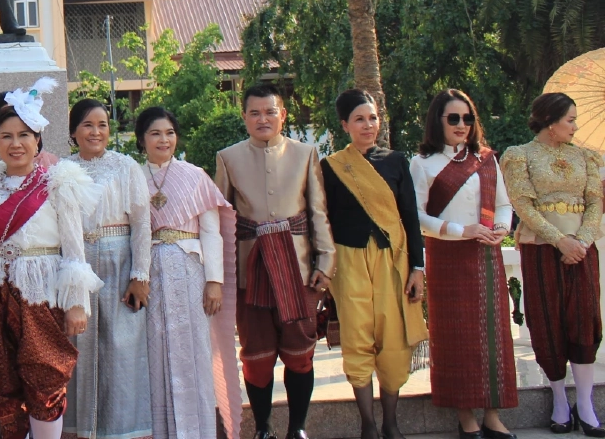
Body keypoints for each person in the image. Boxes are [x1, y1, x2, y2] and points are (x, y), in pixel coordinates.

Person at [0, 78, 101, 439]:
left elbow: (73, 248)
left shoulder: (58, 183)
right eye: (6, 136)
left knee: (45, 381)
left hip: (41, 296)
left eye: (24, 135)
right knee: (2, 385)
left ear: (38, 141)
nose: (15, 143)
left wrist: (77, 303)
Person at [213, 85, 334, 439]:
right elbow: (222, 221)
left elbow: (318, 211)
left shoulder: (305, 153)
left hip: (298, 270)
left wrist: (325, 262)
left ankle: (298, 427)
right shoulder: (228, 157)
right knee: (257, 356)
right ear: (245, 118)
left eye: (270, 112)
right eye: (254, 113)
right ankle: (263, 428)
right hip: (250, 272)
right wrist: (221, 276)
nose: (262, 119)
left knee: (300, 353)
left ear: (283, 115)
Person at [321, 89, 427, 439]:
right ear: (344, 125)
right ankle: (367, 425)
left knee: (394, 341)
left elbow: (410, 217)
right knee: (357, 340)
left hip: (392, 262)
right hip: (349, 262)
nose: (368, 125)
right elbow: (323, 219)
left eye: (373, 118)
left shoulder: (396, 161)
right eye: (359, 119)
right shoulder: (332, 166)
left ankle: (391, 423)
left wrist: (418, 268)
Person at [410, 90, 516, 439]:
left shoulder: (485, 159)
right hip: (446, 255)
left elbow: (503, 204)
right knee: (455, 337)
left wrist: (501, 228)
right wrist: (459, 230)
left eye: (467, 118)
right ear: (437, 121)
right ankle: (465, 418)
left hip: (486, 255)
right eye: (453, 118)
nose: (461, 125)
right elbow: (417, 216)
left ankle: (493, 415)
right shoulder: (422, 163)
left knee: (492, 336)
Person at [133, 107, 240, 439]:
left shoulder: (195, 176)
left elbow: (211, 231)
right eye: (155, 133)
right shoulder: (132, 178)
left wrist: (214, 282)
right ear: (141, 140)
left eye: (169, 132)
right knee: (155, 352)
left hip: (190, 272)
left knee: (193, 352)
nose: (164, 140)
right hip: (149, 275)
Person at [503, 92, 604, 435]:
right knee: (547, 319)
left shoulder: (587, 157)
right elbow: (522, 204)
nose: (575, 126)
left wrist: (581, 241)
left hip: (581, 248)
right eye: (570, 120)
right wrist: (557, 239)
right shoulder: (520, 156)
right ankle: (560, 400)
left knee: (584, 319)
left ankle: (586, 404)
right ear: (549, 121)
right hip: (540, 248)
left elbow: (595, 202)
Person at [60, 99, 154, 439]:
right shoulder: (62, 170)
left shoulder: (126, 166)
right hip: (78, 262)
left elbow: (142, 224)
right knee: (79, 347)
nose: (96, 131)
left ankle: (125, 429)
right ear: (73, 132)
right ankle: (81, 429)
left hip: (119, 262)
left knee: (122, 349)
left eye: (102, 124)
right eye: (87, 125)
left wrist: (139, 275)